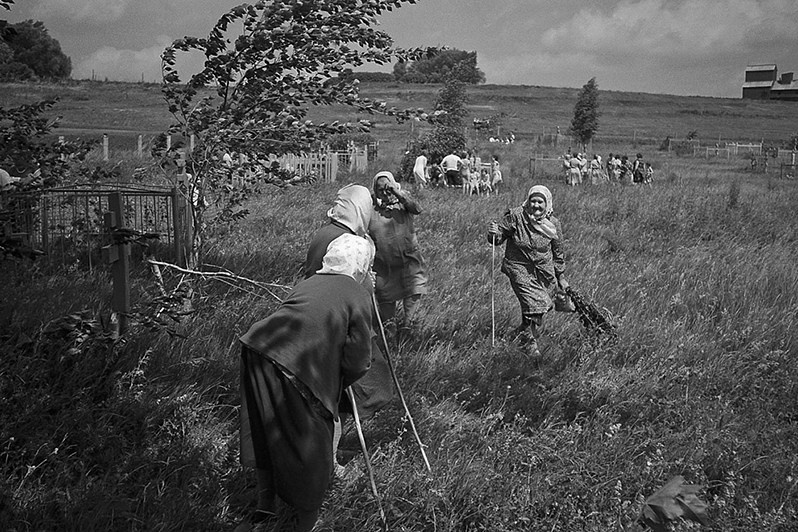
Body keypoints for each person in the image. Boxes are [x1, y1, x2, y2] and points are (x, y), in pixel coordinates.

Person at [238, 234, 374, 532]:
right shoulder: (356, 293)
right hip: (293, 364)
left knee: (265, 428)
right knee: (311, 442)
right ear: (361, 266)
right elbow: (359, 360)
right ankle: (306, 522)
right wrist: (334, 386)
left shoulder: (308, 282)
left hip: (258, 349)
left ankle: (266, 508)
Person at [487, 185, 566, 358]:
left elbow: (558, 251)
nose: (536, 205)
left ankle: (521, 333)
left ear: (547, 203)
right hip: (518, 267)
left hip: (544, 272)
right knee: (535, 303)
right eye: (533, 201)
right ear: (528, 201)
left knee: (538, 307)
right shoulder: (516, 216)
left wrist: (560, 276)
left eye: (540, 202)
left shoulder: (553, 223)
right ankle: (530, 343)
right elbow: (499, 237)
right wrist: (494, 234)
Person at [369, 171, 428, 333]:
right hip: (384, 269)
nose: (385, 192)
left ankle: (410, 339)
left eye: (388, 188)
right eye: (380, 189)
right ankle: (391, 343)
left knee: (412, 315)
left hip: (410, 264)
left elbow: (417, 208)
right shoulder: (371, 208)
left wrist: (396, 192)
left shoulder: (403, 201)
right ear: (375, 190)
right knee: (389, 324)